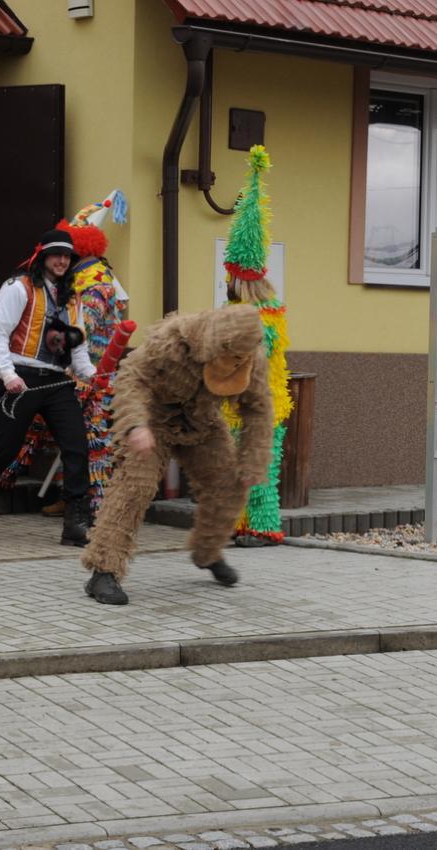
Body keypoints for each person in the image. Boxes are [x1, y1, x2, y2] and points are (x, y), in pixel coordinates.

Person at [81, 305, 272, 605]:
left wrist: (252, 461)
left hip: (203, 423)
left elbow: (258, 409)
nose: (236, 362)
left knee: (230, 483)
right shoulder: (171, 340)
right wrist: (135, 424)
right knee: (135, 486)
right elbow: (132, 377)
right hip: (152, 420)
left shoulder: (251, 357)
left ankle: (207, 552)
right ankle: (103, 571)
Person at [0, 228, 97, 546]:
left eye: (66, 256)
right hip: (22, 378)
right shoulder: (18, 287)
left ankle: (75, 522)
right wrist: (7, 375)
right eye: (56, 254)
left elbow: (78, 345)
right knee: (4, 449)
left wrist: (91, 374)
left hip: (58, 382)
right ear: (43, 256)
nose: (61, 261)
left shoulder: (73, 297)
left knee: (76, 447)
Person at [0, 189, 130, 515]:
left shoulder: (95, 279)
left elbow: (85, 327)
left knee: (90, 440)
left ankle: (95, 506)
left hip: (91, 374)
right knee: (65, 435)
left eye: (67, 252)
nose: (62, 259)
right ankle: (64, 495)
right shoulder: (82, 276)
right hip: (73, 371)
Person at [221, 146, 292, 547]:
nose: (225, 284)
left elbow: (253, 350)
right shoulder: (237, 310)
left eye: (229, 278)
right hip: (238, 404)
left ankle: (264, 528)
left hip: (261, 405)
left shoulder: (266, 315)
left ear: (239, 280)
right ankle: (243, 524)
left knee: (259, 467)